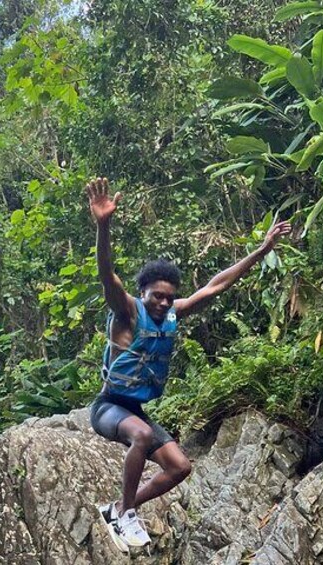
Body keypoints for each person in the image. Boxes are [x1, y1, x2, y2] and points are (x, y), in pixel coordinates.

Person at [86, 177, 291, 551]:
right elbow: (106, 275)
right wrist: (103, 226)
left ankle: (117, 507)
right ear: (143, 293)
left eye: (169, 298)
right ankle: (126, 515)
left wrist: (262, 250)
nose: (164, 304)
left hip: (135, 408)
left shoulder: (174, 314)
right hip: (108, 407)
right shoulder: (128, 312)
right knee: (143, 436)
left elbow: (216, 286)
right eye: (157, 297)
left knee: (180, 467)